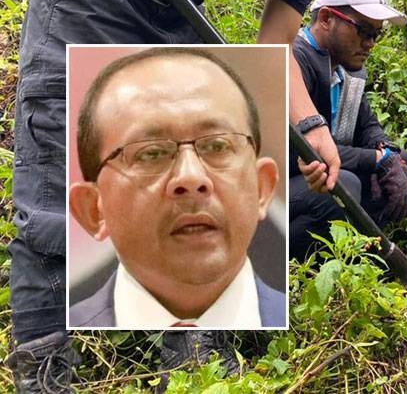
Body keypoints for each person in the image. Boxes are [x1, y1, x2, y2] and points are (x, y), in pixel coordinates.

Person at [9, 0, 407, 392]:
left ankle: (191, 345)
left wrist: (312, 126)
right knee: (61, 179)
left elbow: (273, 49)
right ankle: (43, 365)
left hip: (169, 23)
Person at [66, 47, 284, 329]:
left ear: (262, 189)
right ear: (93, 209)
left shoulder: (317, 329)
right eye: (151, 153)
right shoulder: (49, 348)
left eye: (217, 146)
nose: (191, 178)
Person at [291, 0, 407, 261]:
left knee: (402, 161)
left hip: (326, 172)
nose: (370, 43)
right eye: (363, 30)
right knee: (344, 184)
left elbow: (368, 125)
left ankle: (362, 254)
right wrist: (375, 160)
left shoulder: (348, 68)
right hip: (282, 184)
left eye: (376, 34)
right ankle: (301, 265)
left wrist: (388, 154)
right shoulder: (295, 61)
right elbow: (300, 152)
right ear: (325, 19)